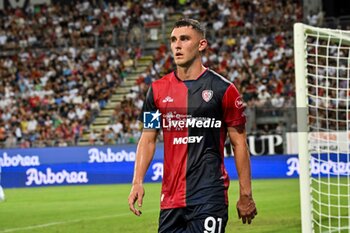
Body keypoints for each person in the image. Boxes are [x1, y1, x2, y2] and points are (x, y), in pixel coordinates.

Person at [128, 18, 257, 232]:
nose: (177, 45)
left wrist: (246, 195)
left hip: (209, 195)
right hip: (170, 200)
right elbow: (148, 138)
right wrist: (137, 181)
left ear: (201, 45)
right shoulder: (157, 90)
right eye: (173, 40)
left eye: (184, 39)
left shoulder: (223, 89)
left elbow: (239, 144)